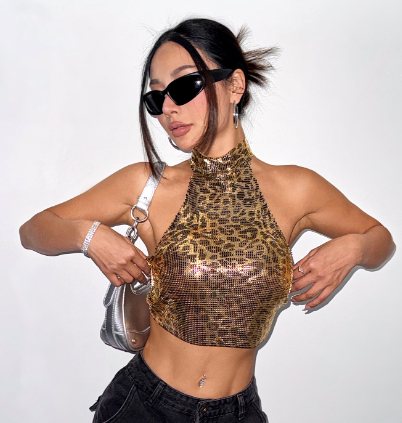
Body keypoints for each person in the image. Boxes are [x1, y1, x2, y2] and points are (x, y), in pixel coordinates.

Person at [19, 17, 394, 423]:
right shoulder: (147, 185)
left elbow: (381, 240)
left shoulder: (296, 189)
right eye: (156, 97)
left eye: (184, 86)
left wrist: (354, 247)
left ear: (235, 85)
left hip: (238, 413)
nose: (168, 109)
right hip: (143, 407)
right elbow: (33, 230)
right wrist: (88, 234)